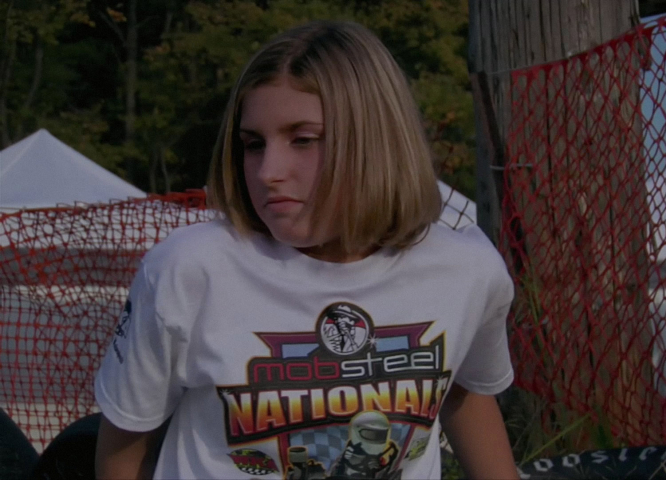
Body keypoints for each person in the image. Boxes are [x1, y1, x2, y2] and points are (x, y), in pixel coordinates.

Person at [94, 20, 519, 480]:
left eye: (303, 140)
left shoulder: (466, 270)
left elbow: (462, 391)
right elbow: (123, 453)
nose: (268, 172)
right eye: (253, 144)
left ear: (377, 141)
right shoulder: (188, 270)